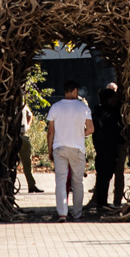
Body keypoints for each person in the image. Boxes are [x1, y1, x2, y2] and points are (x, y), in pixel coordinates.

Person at [45, 83, 94, 220]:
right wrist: (80, 133)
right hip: (77, 149)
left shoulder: (55, 107)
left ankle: (62, 213)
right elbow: (91, 129)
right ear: (75, 90)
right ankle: (77, 213)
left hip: (59, 148)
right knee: (77, 182)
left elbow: (50, 131)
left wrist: (50, 150)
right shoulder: (83, 107)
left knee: (60, 181)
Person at [90, 83, 126, 214]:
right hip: (110, 147)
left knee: (102, 176)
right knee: (106, 175)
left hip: (101, 147)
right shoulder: (114, 111)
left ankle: (101, 202)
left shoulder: (97, 110)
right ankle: (103, 203)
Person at [14, 101, 43, 194]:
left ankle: (30, 185)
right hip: (21, 135)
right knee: (27, 163)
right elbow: (30, 115)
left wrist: (27, 126)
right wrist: (27, 126)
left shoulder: (20, 103)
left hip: (15, 136)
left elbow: (30, 115)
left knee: (25, 163)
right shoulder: (22, 103)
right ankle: (31, 185)